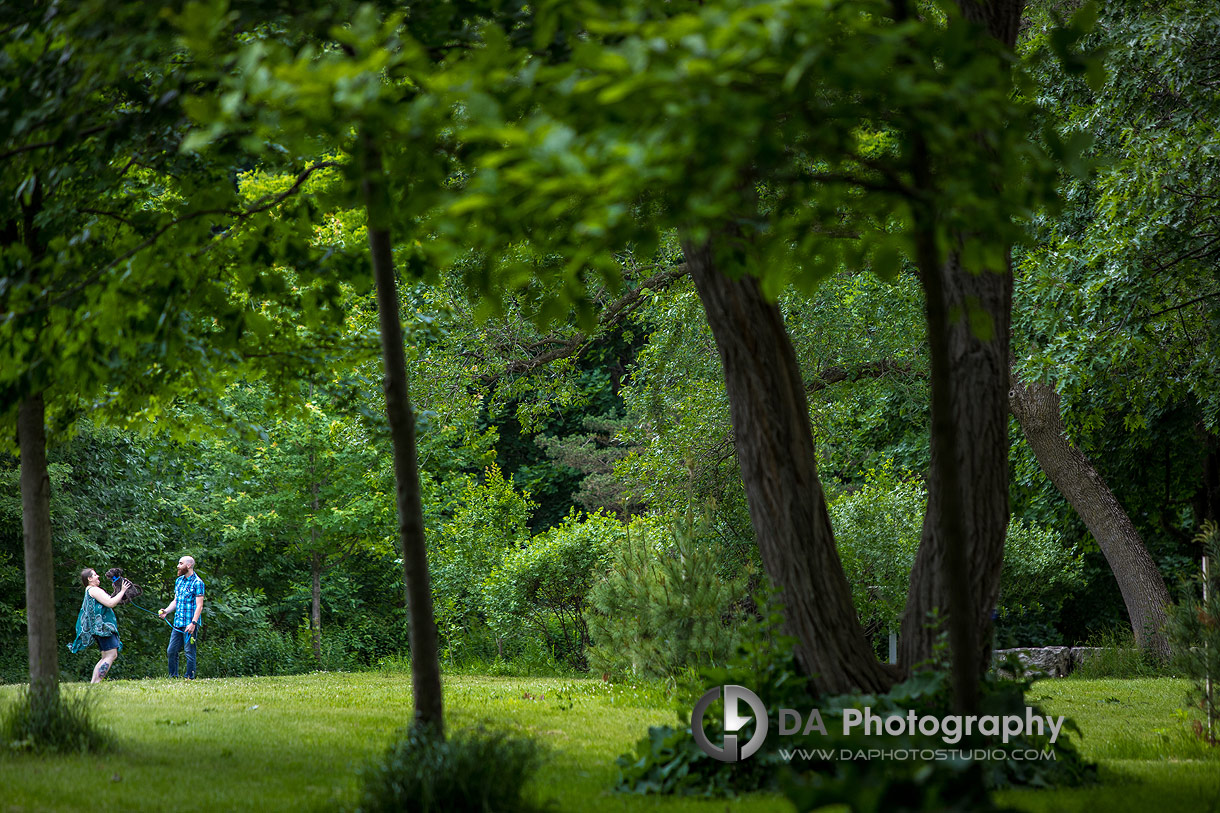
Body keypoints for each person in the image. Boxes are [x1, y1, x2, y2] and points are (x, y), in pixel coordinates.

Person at [68, 568, 131, 683]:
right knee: (111, 655)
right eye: (95, 575)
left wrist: (117, 591)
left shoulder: (90, 590)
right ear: (89, 578)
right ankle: (97, 682)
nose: (98, 577)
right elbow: (110, 603)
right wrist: (122, 591)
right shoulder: (94, 590)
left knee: (105, 656)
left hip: (98, 629)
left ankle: (94, 683)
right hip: (103, 629)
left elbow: (109, 600)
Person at [159, 555, 205, 679]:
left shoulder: (198, 582)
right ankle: (173, 676)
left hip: (190, 624)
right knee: (171, 651)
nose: (178, 566)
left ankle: (189, 677)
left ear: (188, 565)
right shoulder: (179, 581)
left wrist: (193, 623)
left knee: (189, 652)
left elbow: (199, 605)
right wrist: (166, 611)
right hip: (177, 622)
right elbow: (176, 601)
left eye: (180, 563)